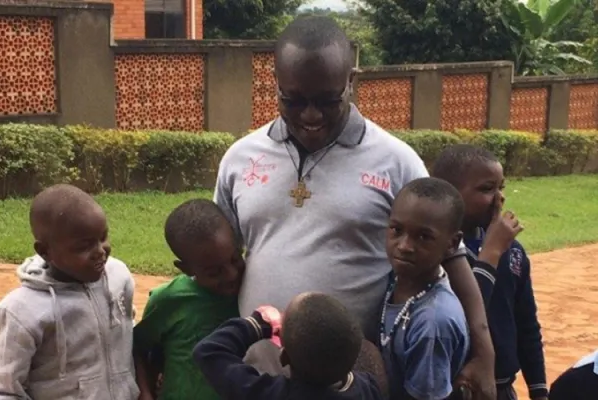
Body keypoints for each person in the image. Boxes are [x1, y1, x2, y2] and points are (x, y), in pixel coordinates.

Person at [214, 15, 495, 399]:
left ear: (351, 81)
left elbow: (452, 258)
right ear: (274, 82)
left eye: (328, 100)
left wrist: (484, 355)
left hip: (351, 388)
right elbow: (218, 267)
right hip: (259, 381)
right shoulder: (239, 159)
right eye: (293, 99)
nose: (310, 116)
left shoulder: (396, 162)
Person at [0, 184, 139, 399]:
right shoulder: (22, 311)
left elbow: (127, 334)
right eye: (84, 246)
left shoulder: (118, 277)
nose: (101, 252)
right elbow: (6, 388)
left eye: (103, 237)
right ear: (45, 251)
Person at [432, 144, 548, 400]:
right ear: (448, 193)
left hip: (503, 388)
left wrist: (539, 390)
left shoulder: (512, 251)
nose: (499, 199)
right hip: (459, 388)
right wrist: (491, 253)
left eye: (501, 188)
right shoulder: (436, 253)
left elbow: (526, 323)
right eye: (486, 189)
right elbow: (464, 316)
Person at [133, 199, 245, 400]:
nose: (231, 274)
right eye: (214, 272)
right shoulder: (169, 300)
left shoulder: (249, 290)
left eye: (236, 258)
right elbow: (139, 348)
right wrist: (146, 391)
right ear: (186, 269)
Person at [193, 292, 384, 399]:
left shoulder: (269, 394)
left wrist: (255, 325)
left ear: (283, 357)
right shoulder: (368, 389)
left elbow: (209, 351)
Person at [381, 177, 470, 400]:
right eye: (396, 230)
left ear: (452, 243)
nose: (404, 246)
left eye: (423, 237)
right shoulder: (395, 281)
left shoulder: (432, 323)